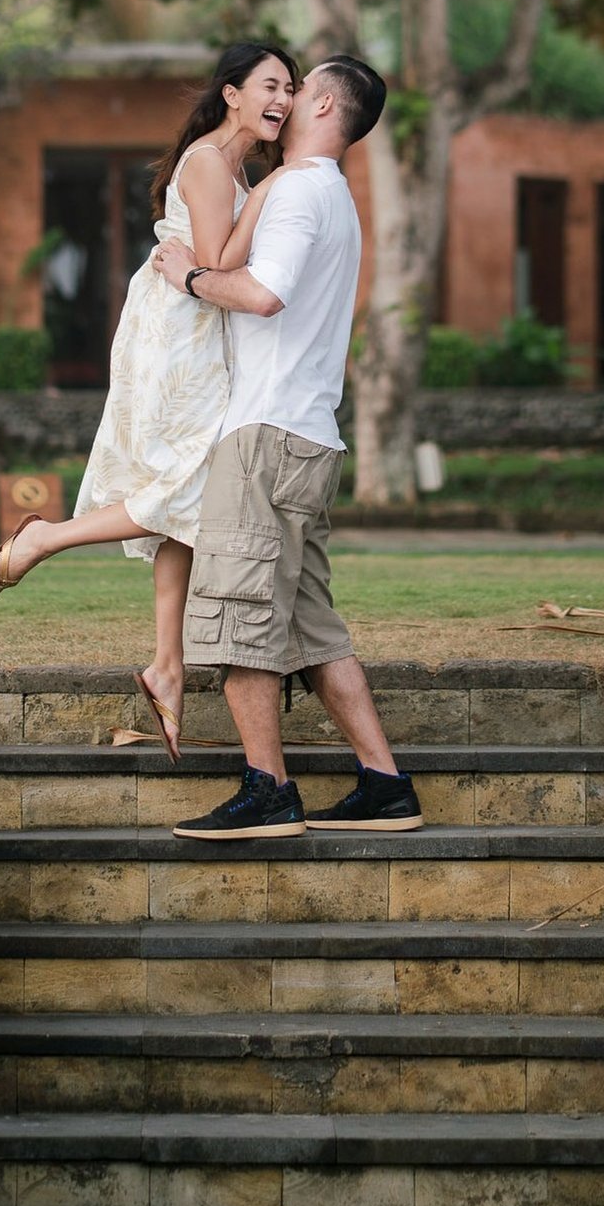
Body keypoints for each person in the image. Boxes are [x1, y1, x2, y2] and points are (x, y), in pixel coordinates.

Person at [0, 42, 299, 763]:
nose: (284, 98)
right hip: (181, 336)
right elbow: (215, 261)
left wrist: (264, 190)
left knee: (188, 493)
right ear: (232, 93)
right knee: (188, 482)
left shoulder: (234, 167)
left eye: (291, 88)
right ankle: (43, 538)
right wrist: (273, 194)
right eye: (271, 85)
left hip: (198, 330)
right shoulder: (210, 163)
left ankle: (166, 664)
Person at [152, 56, 424, 840]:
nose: (289, 95)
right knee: (309, 627)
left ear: (326, 104)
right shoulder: (324, 192)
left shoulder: (301, 191)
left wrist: (190, 276)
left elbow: (263, 294)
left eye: (301, 87)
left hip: (267, 437)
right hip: (308, 437)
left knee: (240, 615)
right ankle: (384, 783)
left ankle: (267, 789)